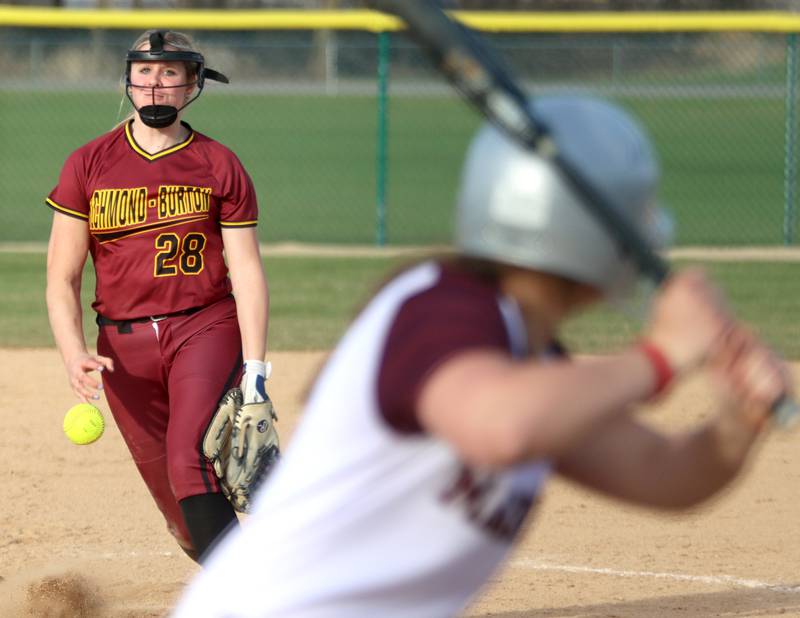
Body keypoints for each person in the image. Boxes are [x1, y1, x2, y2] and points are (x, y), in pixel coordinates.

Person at [173, 95, 792, 616]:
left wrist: (742, 418)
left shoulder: (531, 362)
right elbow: (501, 426)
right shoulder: (441, 309)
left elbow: (664, 473)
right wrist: (660, 356)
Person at [45, 29, 279, 563]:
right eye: (146, 73)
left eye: (170, 73)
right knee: (181, 516)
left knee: (188, 462)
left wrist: (256, 366)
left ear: (192, 84)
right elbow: (61, 277)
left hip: (202, 326)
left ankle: (258, 593)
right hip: (123, 351)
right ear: (129, 80)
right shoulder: (88, 163)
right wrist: (72, 351)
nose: (156, 85)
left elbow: (245, 270)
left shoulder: (218, 164)